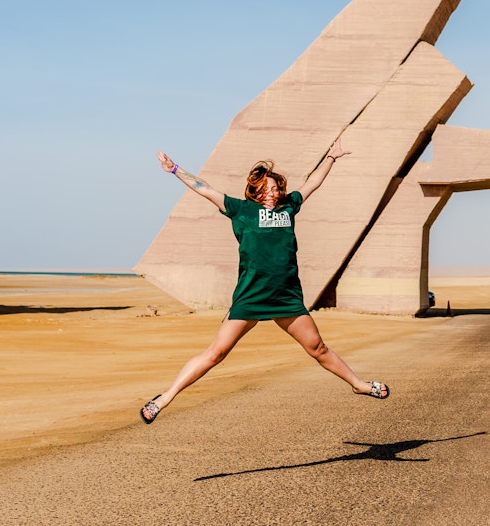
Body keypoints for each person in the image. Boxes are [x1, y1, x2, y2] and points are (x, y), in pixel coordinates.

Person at [140, 140, 388, 424]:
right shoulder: (239, 210)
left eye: (275, 189)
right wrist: (175, 170)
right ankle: (165, 398)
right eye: (266, 189)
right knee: (215, 353)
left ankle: (358, 384)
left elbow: (313, 183)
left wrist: (331, 156)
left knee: (318, 348)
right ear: (254, 191)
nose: (272, 194)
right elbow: (203, 187)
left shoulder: (289, 206)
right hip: (251, 296)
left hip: (286, 297)